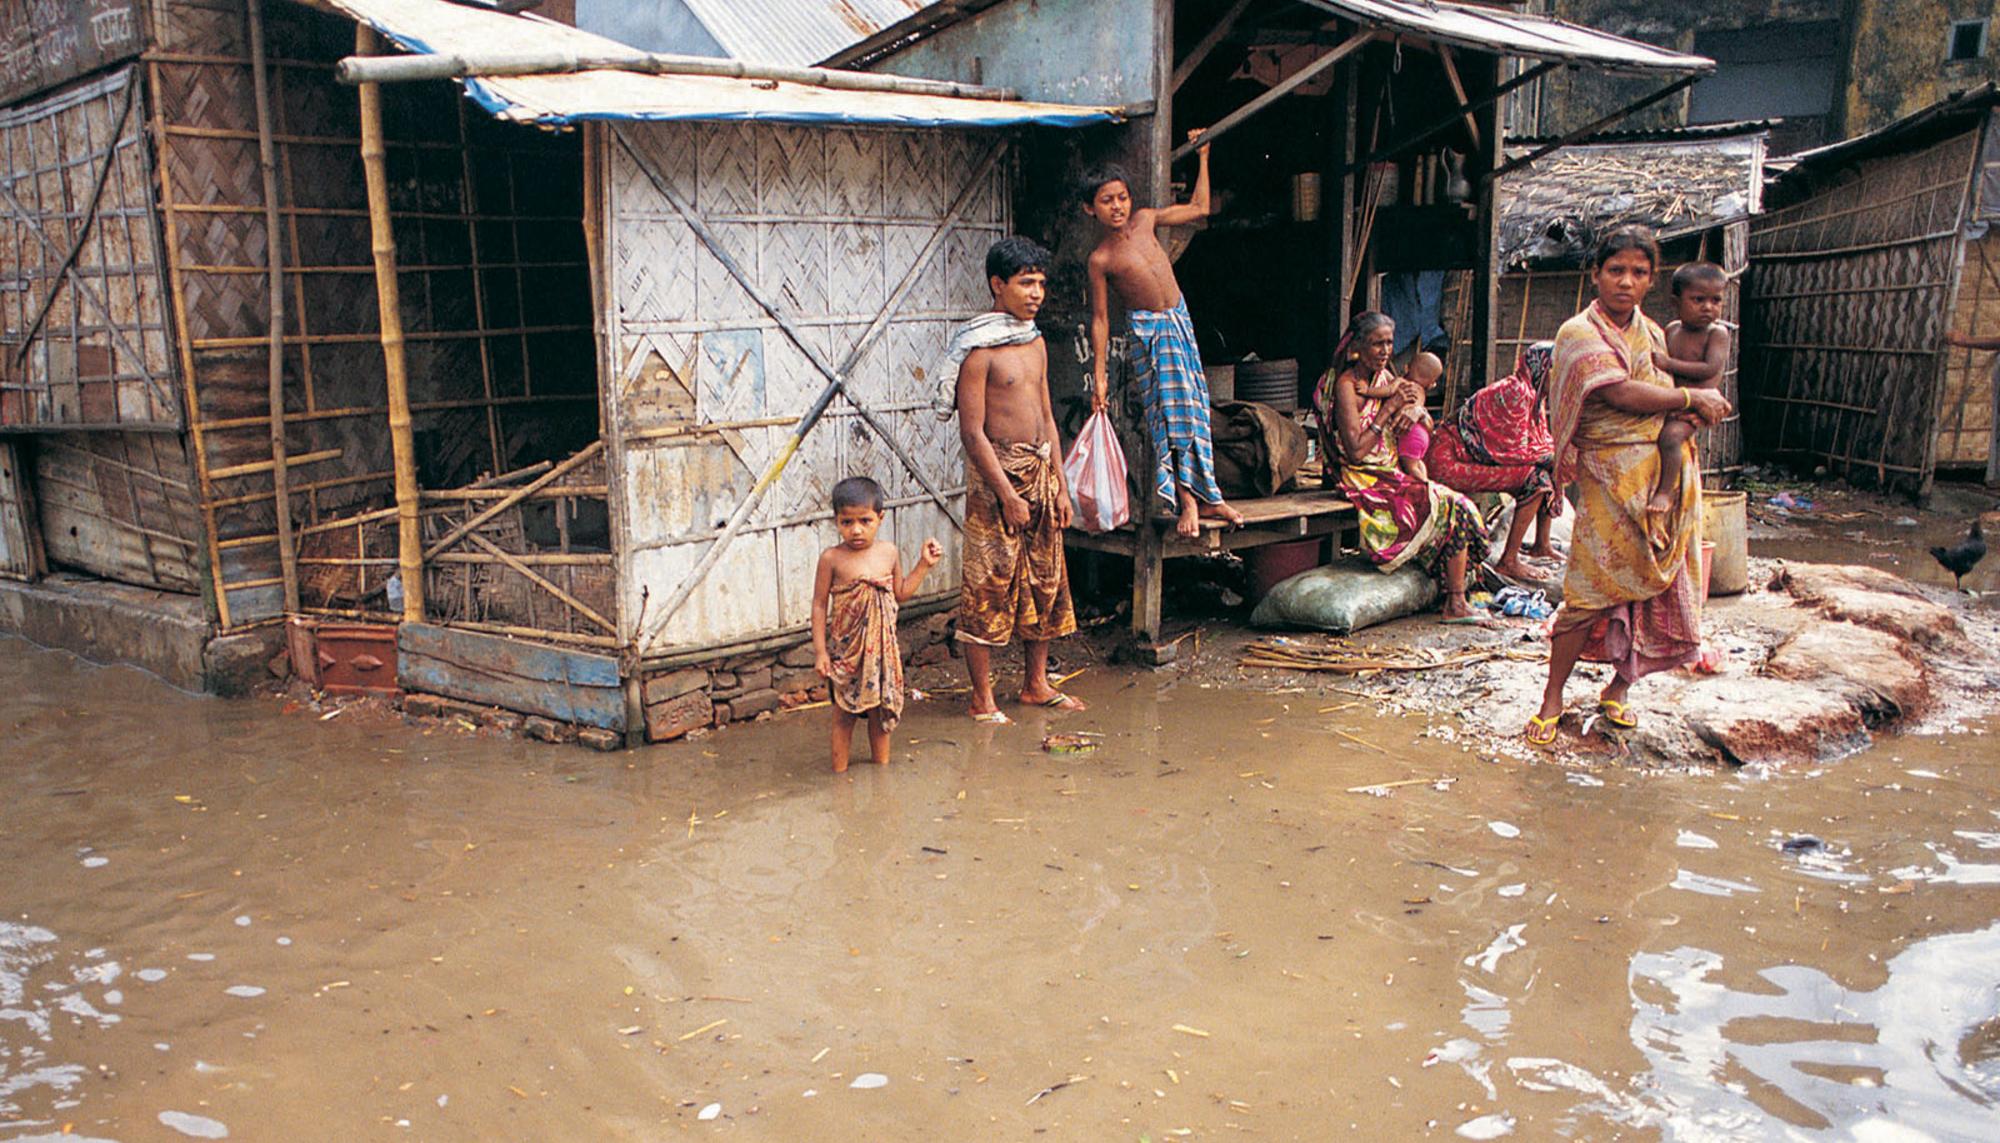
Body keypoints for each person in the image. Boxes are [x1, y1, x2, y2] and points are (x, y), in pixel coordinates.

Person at [1528, 226, 1731, 747]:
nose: (1626, 281)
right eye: (1616, 270)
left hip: (1664, 474)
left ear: (1651, 280)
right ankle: (1553, 696)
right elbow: (1618, 393)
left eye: (1639, 272)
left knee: (1657, 590)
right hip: (1607, 475)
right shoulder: (1578, 332)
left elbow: (1681, 386)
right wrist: (1690, 403)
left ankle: (1619, 689)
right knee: (1589, 590)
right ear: (1595, 275)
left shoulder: (1657, 334)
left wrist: (1689, 411)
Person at [1083, 137, 1244, 539]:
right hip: (1150, 333)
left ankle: (1210, 495)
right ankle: (1187, 500)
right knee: (1170, 415)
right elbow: (1100, 320)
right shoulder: (1100, 259)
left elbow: (1200, 208)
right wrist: (1099, 375)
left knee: (1196, 408)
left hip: (1179, 320)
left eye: (1121, 197)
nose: (1117, 206)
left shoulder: (1145, 220)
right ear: (1091, 209)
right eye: (1106, 201)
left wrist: (1204, 155)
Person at [955, 236, 1085, 723]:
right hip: (997, 480)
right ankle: (982, 698)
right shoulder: (979, 352)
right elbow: (972, 433)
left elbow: (1048, 415)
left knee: (1046, 580)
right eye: (1025, 282)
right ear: (997, 285)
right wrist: (1007, 494)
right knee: (988, 585)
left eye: (1041, 283)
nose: (1036, 293)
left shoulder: (1034, 342)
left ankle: (1035, 684)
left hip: (1041, 471)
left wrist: (1062, 484)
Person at [1313, 311, 1490, 621]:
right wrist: (1389, 411)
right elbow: (1355, 452)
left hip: (1391, 471)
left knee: (1454, 503)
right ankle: (1455, 603)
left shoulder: (1384, 378)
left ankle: (1455, 598)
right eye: (1376, 344)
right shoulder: (1347, 385)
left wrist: (1416, 409)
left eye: (1389, 343)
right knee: (1453, 506)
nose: (1385, 351)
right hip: (1363, 478)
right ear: (1357, 346)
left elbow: (1416, 400)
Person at [811, 477, 943, 772]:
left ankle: (880, 774)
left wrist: (924, 565)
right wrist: (820, 652)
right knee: (843, 715)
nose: (856, 530)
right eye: (847, 522)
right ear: (836, 521)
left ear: (880, 518)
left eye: (865, 521)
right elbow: (820, 605)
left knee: (879, 714)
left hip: (881, 652)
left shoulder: (889, 553)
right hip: (846, 652)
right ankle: (839, 778)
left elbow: (900, 593)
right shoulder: (831, 559)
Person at [1423, 343, 1561, 583]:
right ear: (1542, 367)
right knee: (1536, 478)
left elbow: (1541, 445)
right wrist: (1552, 458)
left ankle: (1541, 544)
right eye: (1557, 371)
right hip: (1448, 460)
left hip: (1467, 457)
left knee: (1552, 467)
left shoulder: (1535, 396)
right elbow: (1512, 451)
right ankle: (1508, 561)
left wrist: (1556, 459)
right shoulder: (1516, 392)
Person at [1646, 262, 1732, 515]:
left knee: (1670, 438)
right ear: (1676, 301)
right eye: (1698, 300)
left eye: (1716, 300)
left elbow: (1709, 368)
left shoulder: (1717, 333)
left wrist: (1669, 364)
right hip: (1672, 402)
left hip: (1696, 406)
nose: (1708, 307)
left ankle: (1665, 491)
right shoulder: (1672, 330)